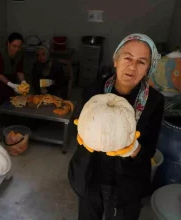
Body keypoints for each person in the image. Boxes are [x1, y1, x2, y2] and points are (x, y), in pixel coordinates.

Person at [68, 33, 165, 220]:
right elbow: (76, 125)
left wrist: (135, 149)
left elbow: (150, 147)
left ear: (148, 69)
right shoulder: (93, 90)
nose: (132, 66)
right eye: (127, 57)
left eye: (141, 62)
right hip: (90, 174)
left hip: (128, 181)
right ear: (116, 60)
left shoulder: (154, 101)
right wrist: (81, 134)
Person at [0, 32, 26, 109]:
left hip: (9, 77)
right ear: (8, 43)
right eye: (14, 46)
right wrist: (12, 85)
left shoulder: (20, 54)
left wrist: (23, 82)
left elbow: (19, 71)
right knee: (0, 96)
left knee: (15, 99)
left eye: (19, 47)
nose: (16, 49)